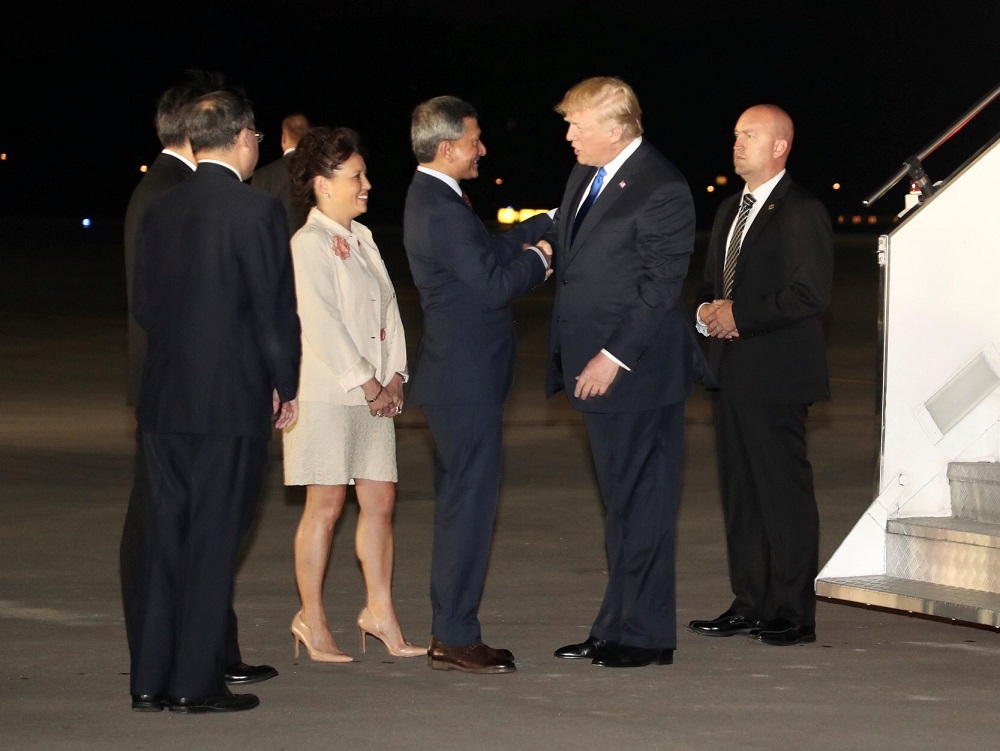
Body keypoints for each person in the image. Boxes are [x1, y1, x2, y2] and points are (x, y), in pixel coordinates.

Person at [130, 85, 301, 713]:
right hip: (229, 403)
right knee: (213, 539)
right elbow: (273, 312)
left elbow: (145, 306)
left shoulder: (161, 210)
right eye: (255, 138)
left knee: (166, 539)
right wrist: (286, 383)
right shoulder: (255, 212)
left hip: (164, 401)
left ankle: (149, 680)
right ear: (242, 137)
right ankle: (195, 684)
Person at [546, 76, 698, 669]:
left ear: (615, 129)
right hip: (595, 371)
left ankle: (646, 635)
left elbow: (661, 286)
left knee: (644, 505)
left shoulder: (661, 187)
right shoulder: (588, 175)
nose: (568, 135)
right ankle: (614, 625)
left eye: (575, 125)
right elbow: (568, 243)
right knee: (621, 506)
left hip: (635, 374)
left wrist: (613, 356)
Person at [403, 95, 552, 674]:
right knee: (468, 508)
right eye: (474, 140)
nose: (481, 149)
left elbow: (485, 249)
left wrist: (545, 224)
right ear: (446, 147)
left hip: (459, 380)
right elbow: (492, 284)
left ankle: (453, 629)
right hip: (464, 383)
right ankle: (455, 635)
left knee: (462, 506)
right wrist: (539, 261)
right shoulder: (440, 208)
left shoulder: (439, 199)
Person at [688, 104, 833, 647]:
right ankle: (750, 602)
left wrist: (739, 316)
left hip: (776, 377)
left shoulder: (801, 211)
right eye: (735, 134)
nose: (737, 143)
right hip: (729, 373)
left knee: (782, 494)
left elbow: (809, 293)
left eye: (749, 135)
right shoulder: (730, 209)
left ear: (780, 146)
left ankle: (794, 612)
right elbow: (710, 282)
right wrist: (705, 311)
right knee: (742, 494)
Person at [282, 126, 424, 662]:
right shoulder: (308, 244)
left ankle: (380, 612)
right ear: (322, 184)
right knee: (326, 503)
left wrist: (395, 377)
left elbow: (388, 312)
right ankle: (311, 620)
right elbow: (320, 321)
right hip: (325, 392)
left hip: (373, 392)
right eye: (356, 176)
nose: (366, 185)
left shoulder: (363, 238)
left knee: (380, 500)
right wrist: (366, 379)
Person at [252, 112, 311, 236]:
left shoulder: (263, 175)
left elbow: (256, 224)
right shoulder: (321, 171)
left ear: (283, 138)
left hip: (277, 251)